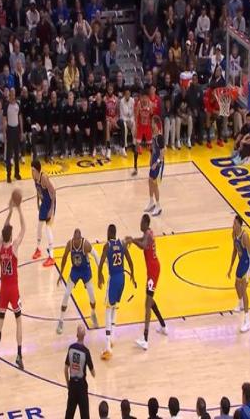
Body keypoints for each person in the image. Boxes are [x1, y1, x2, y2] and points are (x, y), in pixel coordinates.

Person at [0, 197, 26, 374]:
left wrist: (9, 212)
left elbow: (3, 230)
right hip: (13, 289)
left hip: (3, 290)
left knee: (0, 322)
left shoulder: (0, 247)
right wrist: (18, 209)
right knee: (18, 321)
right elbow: (24, 229)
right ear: (11, 237)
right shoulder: (14, 248)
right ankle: (19, 355)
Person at [125, 214, 167, 350]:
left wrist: (132, 240)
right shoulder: (148, 233)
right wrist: (132, 239)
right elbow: (142, 240)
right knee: (150, 299)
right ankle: (163, 326)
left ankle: (145, 338)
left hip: (153, 271)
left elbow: (143, 245)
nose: (140, 224)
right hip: (153, 269)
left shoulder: (148, 235)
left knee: (147, 304)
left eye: (141, 222)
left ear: (145, 223)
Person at [98, 224, 135, 360]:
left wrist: (99, 276)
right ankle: (112, 337)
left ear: (109, 232)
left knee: (108, 310)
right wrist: (133, 275)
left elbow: (101, 263)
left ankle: (108, 347)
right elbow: (130, 262)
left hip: (113, 279)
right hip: (122, 279)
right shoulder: (122, 244)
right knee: (114, 307)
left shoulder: (107, 246)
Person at [57, 229, 100, 334]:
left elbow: (95, 255)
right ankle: (61, 321)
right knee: (66, 294)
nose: (76, 241)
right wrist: (61, 274)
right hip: (75, 271)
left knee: (92, 296)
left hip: (85, 271)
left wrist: (100, 272)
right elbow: (64, 258)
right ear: (73, 238)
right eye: (75, 239)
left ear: (80, 239)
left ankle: (93, 314)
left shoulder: (85, 244)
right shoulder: (70, 244)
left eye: (78, 239)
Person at [227, 215, 250, 332]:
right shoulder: (233, 234)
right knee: (236, 285)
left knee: (243, 289)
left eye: (235, 223)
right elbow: (234, 251)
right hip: (242, 262)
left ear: (240, 225)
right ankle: (241, 303)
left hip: (248, 263)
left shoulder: (245, 236)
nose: (233, 225)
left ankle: (247, 321)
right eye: (233, 223)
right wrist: (231, 267)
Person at [64, 324, 95, 419]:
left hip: (72, 385)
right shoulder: (86, 351)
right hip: (82, 387)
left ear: (76, 335)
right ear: (84, 335)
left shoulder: (71, 348)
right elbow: (93, 373)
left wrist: (68, 384)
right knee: (85, 416)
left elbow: (65, 369)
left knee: (69, 415)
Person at [31, 159, 56, 267]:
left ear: (37, 170)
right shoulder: (35, 178)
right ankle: (38, 249)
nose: (31, 172)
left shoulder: (44, 178)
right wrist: (38, 203)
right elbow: (38, 191)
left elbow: (53, 192)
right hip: (44, 203)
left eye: (32, 170)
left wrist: (51, 209)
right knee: (39, 226)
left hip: (50, 203)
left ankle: (51, 256)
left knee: (48, 228)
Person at [144, 116, 165, 216]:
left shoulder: (160, 137)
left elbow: (163, 152)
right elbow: (153, 150)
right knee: (150, 180)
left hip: (159, 163)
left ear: (156, 124)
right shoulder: (153, 135)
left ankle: (158, 206)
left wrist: (156, 163)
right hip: (153, 162)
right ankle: (151, 202)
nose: (151, 124)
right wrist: (151, 159)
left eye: (152, 123)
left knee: (155, 183)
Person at [5, 88, 23, 183]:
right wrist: (4, 133)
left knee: (17, 153)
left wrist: (21, 131)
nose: (13, 95)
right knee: (9, 154)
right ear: (9, 94)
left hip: (16, 129)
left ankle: (17, 173)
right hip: (10, 130)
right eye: (11, 93)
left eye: (14, 93)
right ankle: (8, 174)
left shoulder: (18, 104)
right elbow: (4, 119)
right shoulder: (6, 105)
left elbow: (20, 118)